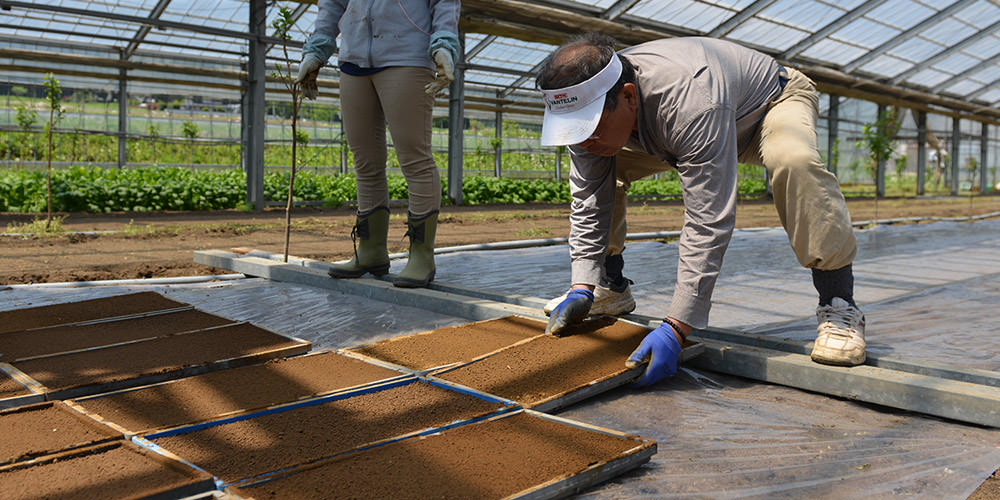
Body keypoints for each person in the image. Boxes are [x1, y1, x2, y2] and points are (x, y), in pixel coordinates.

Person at [537, 33, 865, 386]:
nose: (581, 141)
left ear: (629, 97)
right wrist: (581, 285)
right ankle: (609, 285)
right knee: (607, 164)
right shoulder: (590, 104)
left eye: (589, 128)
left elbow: (707, 218)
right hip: (684, 124)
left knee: (794, 160)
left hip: (769, 105)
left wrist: (677, 327)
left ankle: (839, 303)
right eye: (572, 131)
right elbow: (589, 200)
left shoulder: (689, 100)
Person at [296, 0, 460, 288]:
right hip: (353, 60)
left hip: (407, 55)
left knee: (415, 159)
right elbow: (332, 3)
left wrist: (444, 44)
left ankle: (422, 256)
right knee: (365, 162)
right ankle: (371, 250)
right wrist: (316, 50)